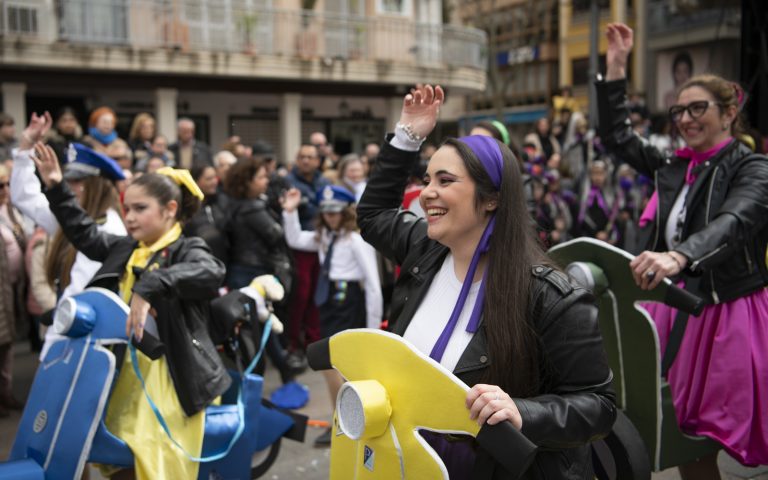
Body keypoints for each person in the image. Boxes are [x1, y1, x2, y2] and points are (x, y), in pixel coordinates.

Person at [357, 84, 615, 479]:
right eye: (427, 180)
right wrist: (407, 136)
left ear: (492, 198)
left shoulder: (551, 296)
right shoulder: (424, 252)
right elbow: (373, 214)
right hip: (407, 461)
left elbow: (599, 406)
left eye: (445, 181)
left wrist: (522, 411)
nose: (427, 193)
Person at [599, 23, 768, 478]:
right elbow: (618, 139)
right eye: (680, 111)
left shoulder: (754, 168)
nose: (687, 119)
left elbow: (735, 222)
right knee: (681, 446)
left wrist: (679, 257)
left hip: (727, 313)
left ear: (730, 113)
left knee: (706, 439)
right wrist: (615, 69)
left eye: (699, 109)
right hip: (673, 309)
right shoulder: (676, 166)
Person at [32, 143, 229, 479]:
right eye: (126, 208)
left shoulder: (188, 248)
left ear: (169, 209)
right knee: (113, 461)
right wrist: (55, 185)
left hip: (172, 381)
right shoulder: (126, 247)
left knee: (149, 459)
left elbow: (211, 271)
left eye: (140, 208)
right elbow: (84, 232)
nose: (130, 216)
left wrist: (149, 286)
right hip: (120, 373)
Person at [12, 112, 127, 359]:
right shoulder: (74, 219)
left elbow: (82, 294)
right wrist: (25, 148)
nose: (69, 186)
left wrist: (54, 345)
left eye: (78, 181)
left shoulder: (107, 228)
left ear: (96, 186)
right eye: (69, 179)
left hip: (81, 342)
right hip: (71, 336)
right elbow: (26, 198)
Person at [281, 184, 382, 447]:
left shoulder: (356, 241)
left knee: (341, 366)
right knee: (331, 365)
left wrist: (374, 329)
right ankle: (343, 419)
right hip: (327, 302)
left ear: (346, 212)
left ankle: (347, 419)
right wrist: (290, 212)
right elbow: (295, 239)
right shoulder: (325, 236)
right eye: (326, 212)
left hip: (347, 301)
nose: (330, 217)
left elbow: (372, 284)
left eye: (335, 212)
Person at [225, 157, 297, 385]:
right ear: (246, 181)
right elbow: (276, 234)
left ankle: (279, 373)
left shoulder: (236, 204)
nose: (266, 180)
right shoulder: (252, 208)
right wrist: (284, 211)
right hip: (252, 274)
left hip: (244, 271)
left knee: (260, 327)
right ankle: (282, 373)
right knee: (262, 328)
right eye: (261, 177)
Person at [284, 145, 330, 363]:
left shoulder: (325, 182)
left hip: (322, 245)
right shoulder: (288, 182)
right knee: (300, 297)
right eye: (301, 157)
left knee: (317, 296)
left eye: (310, 157)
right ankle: (294, 343)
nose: (305, 161)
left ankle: (314, 340)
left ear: (317, 161)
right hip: (299, 247)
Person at [0, 164, 27, 413]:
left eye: (8, 184)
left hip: (12, 289)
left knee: (8, 345)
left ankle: (5, 392)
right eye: (1, 185)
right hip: (2, 290)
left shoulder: (10, 211)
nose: (5, 190)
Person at [184, 164, 230, 264]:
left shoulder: (222, 200)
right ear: (195, 181)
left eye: (215, 177)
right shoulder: (188, 209)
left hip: (223, 261)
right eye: (209, 179)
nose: (214, 182)